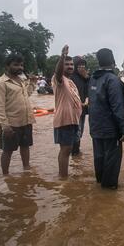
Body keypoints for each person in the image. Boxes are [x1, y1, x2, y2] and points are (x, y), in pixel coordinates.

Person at [88, 48, 124, 189]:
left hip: (95, 127)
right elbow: (118, 107)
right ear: (112, 62)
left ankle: (100, 184)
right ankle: (108, 190)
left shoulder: (93, 78)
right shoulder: (112, 80)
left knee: (99, 157)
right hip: (110, 129)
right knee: (112, 159)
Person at [0, 53, 37, 175]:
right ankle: (5, 176)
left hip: (26, 120)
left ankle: (26, 170)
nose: (20, 68)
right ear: (7, 66)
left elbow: (26, 94)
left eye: (21, 65)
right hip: (11, 123)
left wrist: (32, 83)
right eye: (16, 65)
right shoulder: (0, 83)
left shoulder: (21, 80)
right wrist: (4, 125)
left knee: (25, 146)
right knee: (7, 150)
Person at [52, 45, 83, 179]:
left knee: (69, 149)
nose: (70, 66)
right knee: (65, 150)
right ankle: (62, 178)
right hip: (64, 120)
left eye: (71, 64)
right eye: (67, 64)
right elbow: (58, 73)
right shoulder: (59, 79)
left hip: (74, 121)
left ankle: (64, 176)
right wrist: (62, 56)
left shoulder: (70, 81)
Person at [70, 56, 90, 156]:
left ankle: (76, 153)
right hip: (73, 109)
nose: (82, 67)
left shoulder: (85, 78)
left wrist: (86, 100)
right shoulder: (71, 77)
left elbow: (88, 91)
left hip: (83, 108)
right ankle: (74, 153)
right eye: (79, 65)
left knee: (80, 131)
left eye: (83, 65)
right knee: (76, 131)